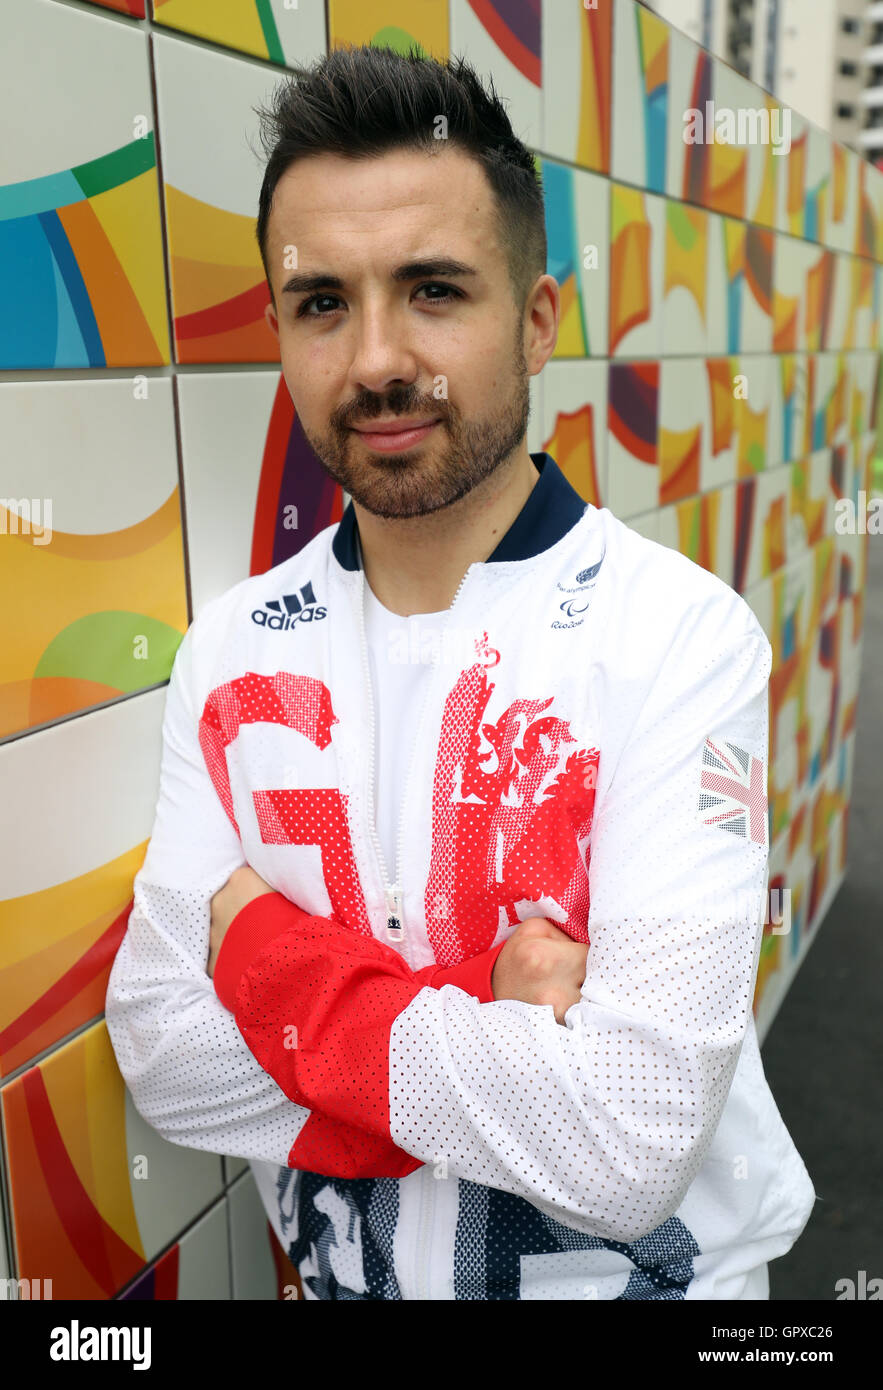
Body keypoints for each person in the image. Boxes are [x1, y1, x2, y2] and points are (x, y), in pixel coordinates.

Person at [105, 44, 816, 1301]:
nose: (377, 360)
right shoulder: (230, 652)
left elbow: (629, 1141)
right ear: (278, 328)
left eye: (433, 290)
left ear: (537, 319)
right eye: (323, 302)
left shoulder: (676, 639)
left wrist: (263, 958)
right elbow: (165, 1054)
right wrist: (493, 1012)